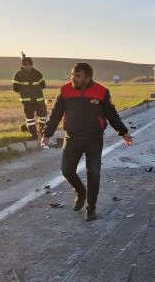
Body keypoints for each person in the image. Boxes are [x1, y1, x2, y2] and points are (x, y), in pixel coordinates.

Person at [41, 63, 134, 222]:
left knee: (94, 174)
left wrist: (123, 132)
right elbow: (55, 114)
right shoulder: (65, 91)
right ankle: (80, 191)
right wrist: (47, 134)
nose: (73, 78)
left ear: (88, 77)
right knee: (67, 170)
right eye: (72, 74)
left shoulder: (101, 92)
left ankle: (91, 208)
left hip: (94, 139)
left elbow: (112, 114)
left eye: (77, 76)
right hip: (72, 138)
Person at [12, 57, 47, 139]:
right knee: (30, 119)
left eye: (29, 64)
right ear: (22, 65)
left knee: (43, 116)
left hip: (39, 100)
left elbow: (43, 85)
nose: (27, 66)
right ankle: (34, 135)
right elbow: (15, 88)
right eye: (25, 65)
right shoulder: (18, 74)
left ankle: (42, 132)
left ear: (32, 64)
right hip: (27, 101)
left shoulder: (38, 73)